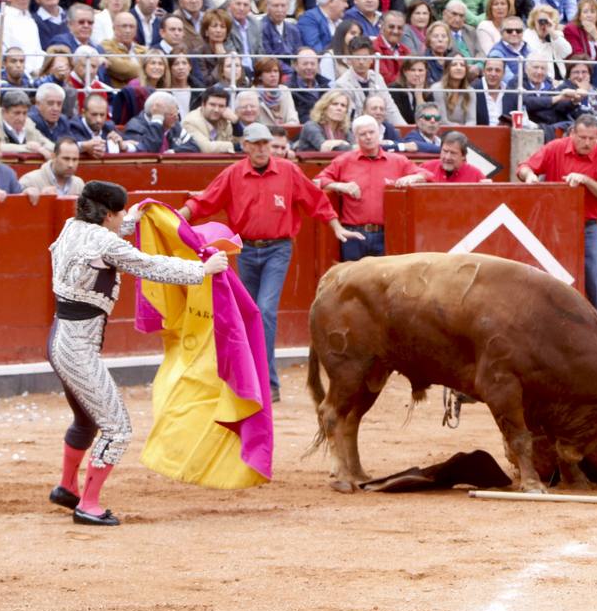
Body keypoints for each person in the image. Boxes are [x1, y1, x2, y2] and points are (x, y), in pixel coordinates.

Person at [46, 181, 228, 525]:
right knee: (117, 428)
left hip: (58, 339)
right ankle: (88, 504)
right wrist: (201, 270)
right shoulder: (106, 242)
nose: (121, 220)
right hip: (77, 351)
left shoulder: (74, 227)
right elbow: (147, 265)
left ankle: (67, 488)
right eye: (119, 214)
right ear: (108, 214)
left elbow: (111, 238)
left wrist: (134, 219)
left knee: (86, 420)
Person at [177, 123, 363, 400]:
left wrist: (335, 226)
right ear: (246, 146)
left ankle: (268, 383)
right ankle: (249, 381)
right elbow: (205, 201)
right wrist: (176, 218)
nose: (262, 148)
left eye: (266, 143)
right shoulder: (234, 174)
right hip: (246, 250)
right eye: (256, 143)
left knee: (263, 311)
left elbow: (314, 200)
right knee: (247, 314)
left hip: (278, 248)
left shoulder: (287, 171)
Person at [516, 113, 597, 330]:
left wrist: (586, 181)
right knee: (547, 284)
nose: (587, 143)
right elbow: (523, 167)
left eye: (592, 139)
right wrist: (530, 176)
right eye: (582, 137)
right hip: (554, 228)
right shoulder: (555, 148)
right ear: (572, 134)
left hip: (586, 227)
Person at [315, 114, 426, 260]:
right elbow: (317, 180)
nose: (368, 137)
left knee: (383, 281)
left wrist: (413, 177)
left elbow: (426, 175)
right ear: (355, 137)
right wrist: (340, 186)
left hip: (386, 234)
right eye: (363, 134)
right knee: (353, 281)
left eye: (372, 132)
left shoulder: (398, 161)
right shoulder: (344, 160)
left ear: (379, 133)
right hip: (354, 234)